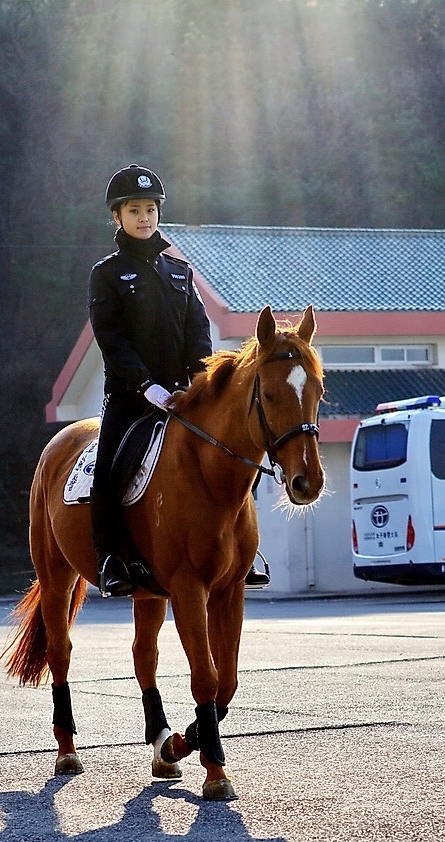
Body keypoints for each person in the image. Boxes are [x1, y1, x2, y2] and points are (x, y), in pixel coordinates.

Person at [88, 163, 270, 596]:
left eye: (151, 209)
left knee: (236, 456)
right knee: (108, 471)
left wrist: (198, 382)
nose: (144, 217)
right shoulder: (107, 274)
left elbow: (197, 333)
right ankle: (110, 557)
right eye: (134, 210)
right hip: (131, 400)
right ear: (117, 216)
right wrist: (147, 387)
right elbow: (111, 340)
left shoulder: (179, 272)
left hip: (185, 396)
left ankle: (244, 551)